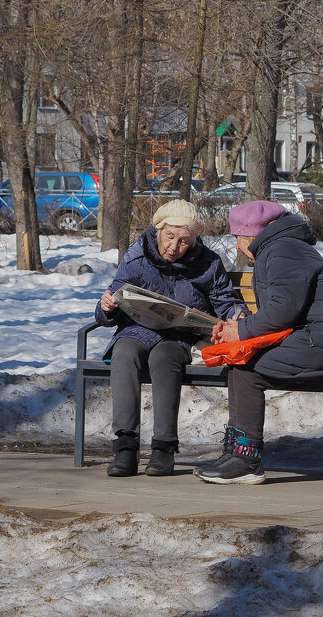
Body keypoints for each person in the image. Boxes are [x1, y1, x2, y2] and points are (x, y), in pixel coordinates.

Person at [195, 200, 323, 485]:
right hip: (320, 336)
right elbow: (284, 310)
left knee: (248, 369)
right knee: (240, 363)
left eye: (238, 238)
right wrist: (240, 328)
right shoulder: (281, 248)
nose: (237, 246)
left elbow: (284, 310)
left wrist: (243, 330)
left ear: (252, 235)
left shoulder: (282, 250)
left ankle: (246, 459)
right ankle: (236, 452)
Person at [95, 199, 247, 478]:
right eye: (170, 237)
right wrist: (107, 306)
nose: (174, 247)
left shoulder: (209, 264)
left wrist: (237, 317)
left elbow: (226, 302)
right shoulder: (137, 256)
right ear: (159, 230)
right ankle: (125, 448)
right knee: (124, 352)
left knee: (164, 358)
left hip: (181, 336)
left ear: (193, 241)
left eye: (184, 241)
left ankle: (164, 448)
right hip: (137, 330)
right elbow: (110, 305)